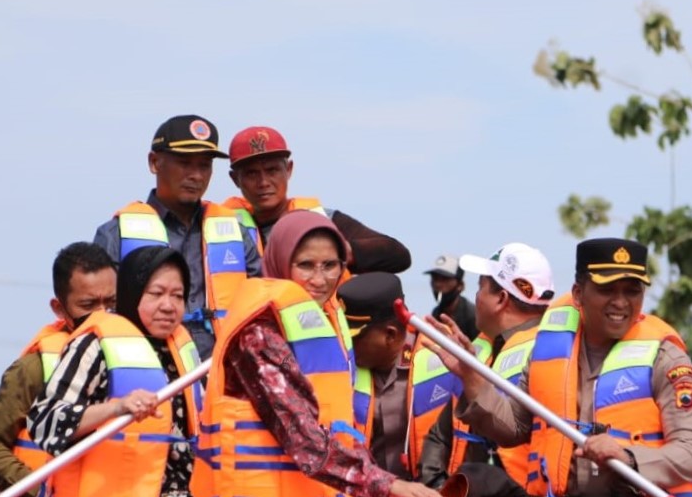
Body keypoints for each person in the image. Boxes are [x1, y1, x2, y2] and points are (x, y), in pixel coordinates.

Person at [191, 211, 445, 497]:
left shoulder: (324, 323)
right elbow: (303, 436)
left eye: (330, 266)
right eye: (306, 265)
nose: (320, 279)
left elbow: (338, 430)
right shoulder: (256, 335)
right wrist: (387, 485)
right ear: (283, 263)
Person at [434, 237, 692, 497]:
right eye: (607, 289)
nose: (620, 303)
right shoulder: (547, 350)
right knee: (476, 478)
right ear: (578, 294)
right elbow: (514, 427)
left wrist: (626, 456)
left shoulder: (665, 358)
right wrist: (472, 378)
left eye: (632, 291)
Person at [26, 246, 205, 497]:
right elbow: (45, 422)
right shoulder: (94, 346)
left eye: (178, 296)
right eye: (156, 294)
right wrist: (115, 408)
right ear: (131, 293)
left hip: (185, 495)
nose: (168, 306)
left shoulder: (184, 349)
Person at [0, 242, 117, 497]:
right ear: (59, 308)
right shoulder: (34, 369)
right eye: (88, 306)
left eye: (111, 304)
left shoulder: (137, 357)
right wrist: (43, 492)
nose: (102, 316)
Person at [92, 115, 262, 356]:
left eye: (204, 165)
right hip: (151, 366)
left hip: (223, 368)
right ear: (154, 162)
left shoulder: (235, 231)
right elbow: (98, 312)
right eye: (185, 163)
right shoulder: (116, 234)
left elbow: (260, 302)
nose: (196, 175)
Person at [414, 243, 555, 496]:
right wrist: (437, 490)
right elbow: (441, 434)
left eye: (480, 288)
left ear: (501, 299)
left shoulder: (549, 356)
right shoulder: (479, 351)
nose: (476, 298)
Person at [222, 125, 411, 273]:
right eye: (251, 173)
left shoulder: (323, 220)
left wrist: (329, 251)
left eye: (272, 170)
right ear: (235, 179)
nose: (263, 182)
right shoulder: (221, 230)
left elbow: (398, 255)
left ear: (289, 170)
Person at [339, 272, 412, 478]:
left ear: (390, 335)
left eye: (354, 338)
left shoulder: (442, 364)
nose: (347, 345)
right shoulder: (339, 369)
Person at [424, 254, 478, 339]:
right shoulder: (436, 313)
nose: (438, 284)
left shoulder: (473, 316)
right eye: (435, 278)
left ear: (460, 285)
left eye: (445, 279)